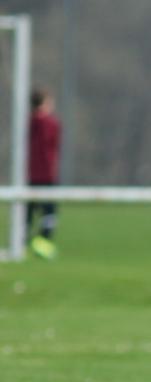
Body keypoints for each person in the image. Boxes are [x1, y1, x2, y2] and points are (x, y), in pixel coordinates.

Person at [27, 88, 62, 260]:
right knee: (49, 212)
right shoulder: (51, 123)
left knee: (27, 211)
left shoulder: (27, 123)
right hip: (46, 175)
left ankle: (22, 243)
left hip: (28, 174)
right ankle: (43, 245)